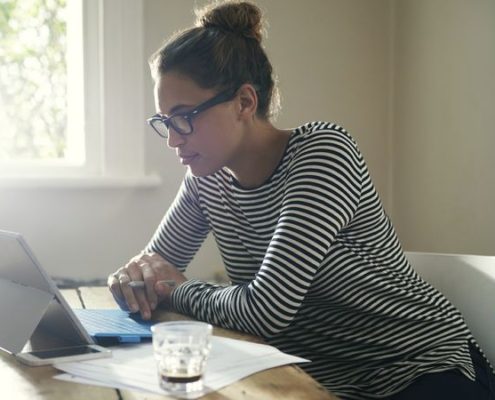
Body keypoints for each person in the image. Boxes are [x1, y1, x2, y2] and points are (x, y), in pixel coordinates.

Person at [108, 1, 495, 399]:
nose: (173, 139)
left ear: (244, 102)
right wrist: (126, 280)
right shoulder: (206, 180)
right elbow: (153, 272)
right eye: (165, 122)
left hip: (417, 368)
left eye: (184, 117)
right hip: (319, 381)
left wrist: (175, 289)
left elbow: (265, 310)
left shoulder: (323, 153)